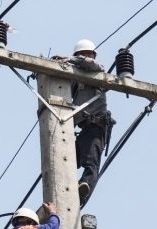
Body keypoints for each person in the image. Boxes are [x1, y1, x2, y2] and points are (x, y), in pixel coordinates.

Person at [55, 39, 115, 206]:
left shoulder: (97, 71)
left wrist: (69, 59)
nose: (84, 57)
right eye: (80, 54)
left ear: (93, 55)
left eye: (86, 54)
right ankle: (66, 191)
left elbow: (89, 64)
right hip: (83, 130)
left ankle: (84, 188)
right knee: (64, 159)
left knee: (91, 164)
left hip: (96, 127)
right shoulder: (75, 79)